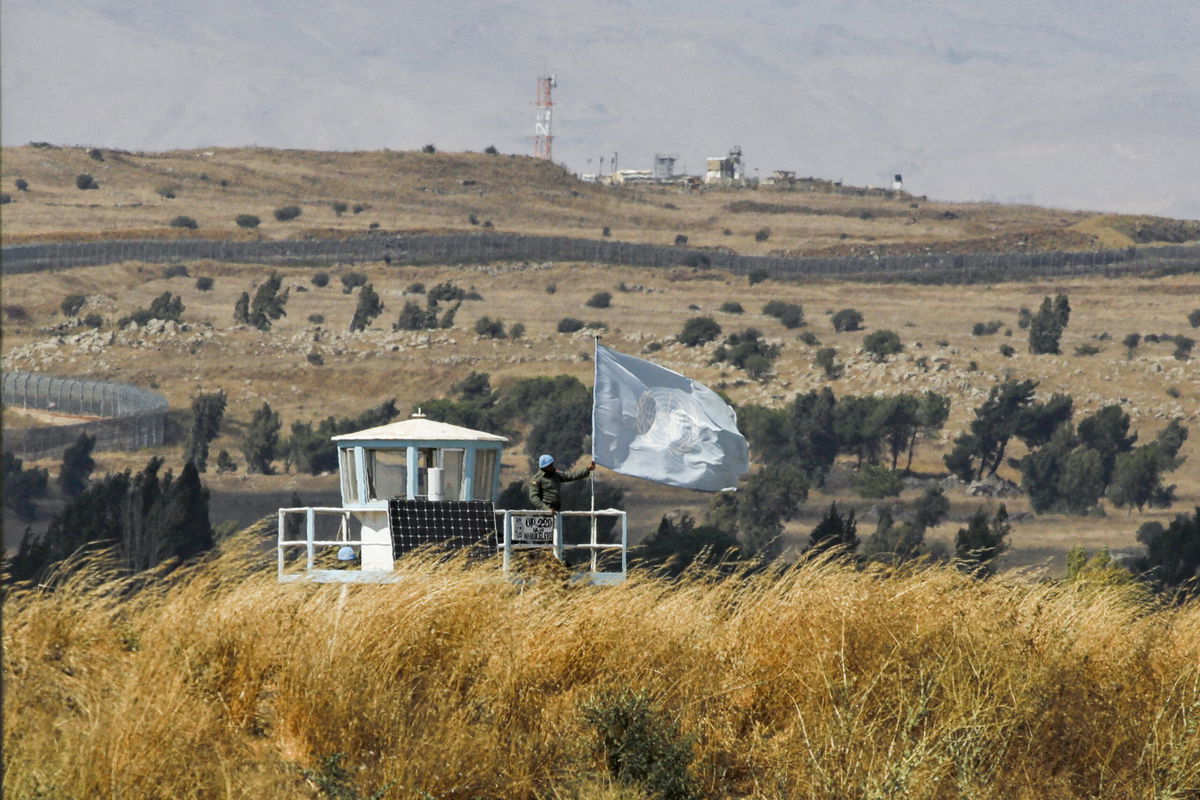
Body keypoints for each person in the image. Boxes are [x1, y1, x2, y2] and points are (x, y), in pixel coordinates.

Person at [528, 453, 595, 512]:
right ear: (545, 467)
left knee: (557, 526)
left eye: (552, 464)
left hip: (556, 509)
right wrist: (546, 509)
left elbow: (571, 476)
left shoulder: (555, 474)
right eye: (550, 465)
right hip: (544, 511)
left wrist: (587, 469)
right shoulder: (537, 479)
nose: (552, 466)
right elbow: (533, 497)